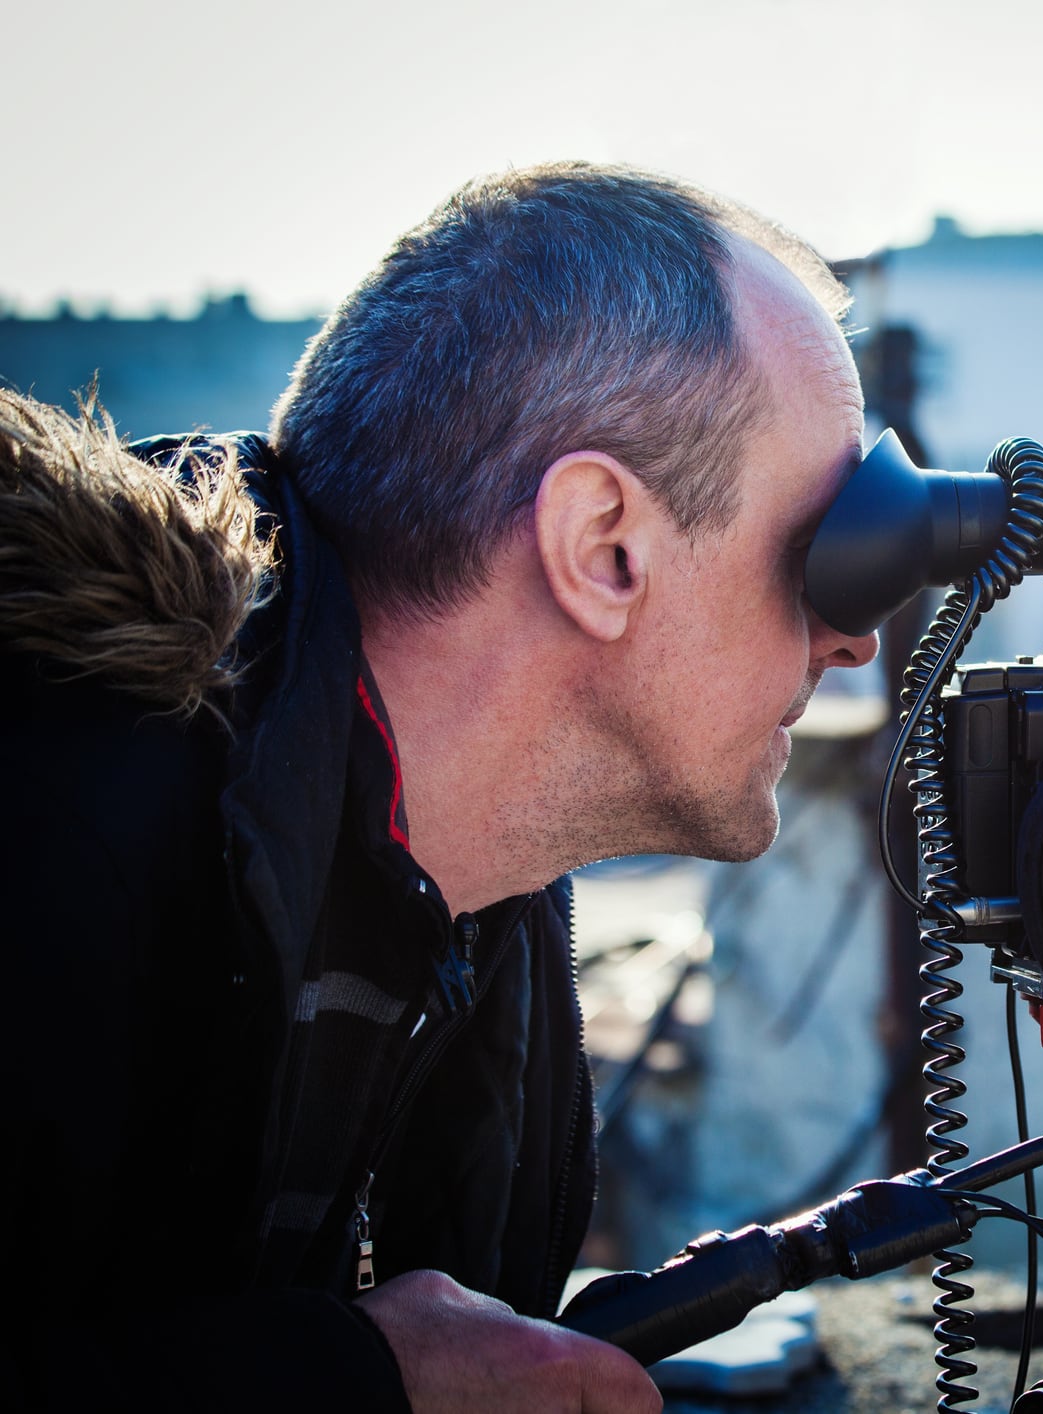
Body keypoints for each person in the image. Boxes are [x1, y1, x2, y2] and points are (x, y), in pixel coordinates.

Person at [0, 162, 880, 1412]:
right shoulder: (54, 825)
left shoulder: (472, 906)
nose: (851, 641)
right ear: (603, 549)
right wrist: (359, 1381)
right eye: (818, 552)